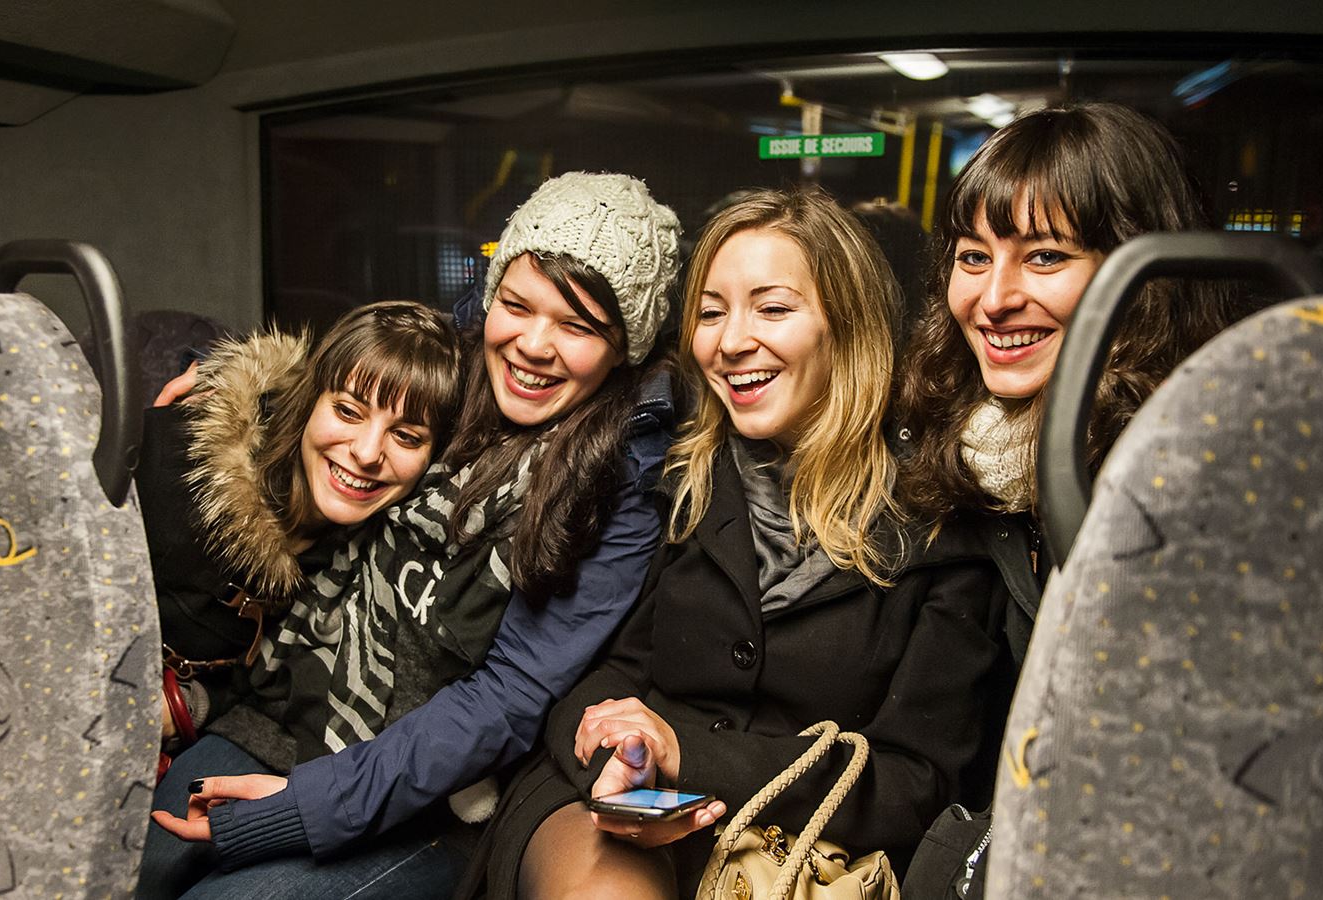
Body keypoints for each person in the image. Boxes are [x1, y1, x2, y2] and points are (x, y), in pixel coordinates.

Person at [141, 171, 684, 899]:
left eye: (578, 326)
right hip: (279, 717)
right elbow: (344, 391)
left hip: (430, 803)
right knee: (106, 869)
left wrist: (300, 809)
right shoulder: (456, 374)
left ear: (626, 347)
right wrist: (227, 390)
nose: (533, 345)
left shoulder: (617, 488)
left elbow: (505, 700)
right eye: (517, 306)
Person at [464, 187, 1007, 899]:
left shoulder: (939, 521)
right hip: (617, 804)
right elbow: (600, 676)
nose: (728, 341)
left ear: (847, 327)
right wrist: (621, 754)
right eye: (711, 312)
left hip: (799, 843)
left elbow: (918, 780)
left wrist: (691, 757)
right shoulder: (680, 473)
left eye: (773, 309)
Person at [892, 102, 1259, 660]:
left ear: (1145, 280)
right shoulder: (933, 447)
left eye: (1043, 256)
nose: (994, 300)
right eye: (972, 257)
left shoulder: (1211, 477)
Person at [137, 301, 462, 742]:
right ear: (309, 400)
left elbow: (254, 674)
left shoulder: (366, 560)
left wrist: (194, 704)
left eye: (406, 436)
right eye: (348, 411)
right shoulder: (172, 463)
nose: (367, 453)